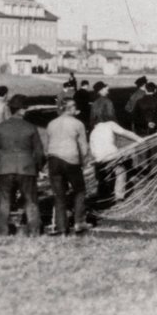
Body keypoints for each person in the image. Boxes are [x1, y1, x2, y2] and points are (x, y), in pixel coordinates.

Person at [0, 94, 45, 237]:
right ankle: (33, 230)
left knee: (5, 200)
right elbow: (39, 153)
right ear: (22, 110)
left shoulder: (0, 128)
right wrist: (38, 168)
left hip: (5, 167)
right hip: (26, 167)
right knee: (31, 200)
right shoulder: (31, 127)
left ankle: (2, 230)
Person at [46, 98, 92, 233]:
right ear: (71, 108)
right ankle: (79, 221)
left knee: (59, 194)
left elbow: (48, 145)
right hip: (70, 159)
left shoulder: (51, 123)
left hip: (53, 159)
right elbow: (83, 147)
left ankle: (61, 226)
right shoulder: (78, 124)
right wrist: (83, 162)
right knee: (80, 190)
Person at [89, 116, 143, 202]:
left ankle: (102, 193)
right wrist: (138, 139)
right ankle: (119, 195)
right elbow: (125, 133)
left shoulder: (93, 132)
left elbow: (92, 149)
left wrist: (97, 158)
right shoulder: (110, 124)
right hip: (111, 154)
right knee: (120, 171)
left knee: (102, 175)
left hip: (99, 157)